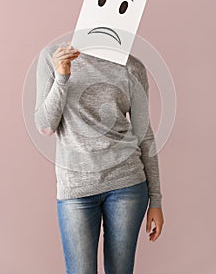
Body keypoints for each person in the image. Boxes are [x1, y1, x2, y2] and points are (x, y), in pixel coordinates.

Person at [34, 40, 164, 274]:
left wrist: (156, 200)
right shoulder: (53, 57)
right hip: (76, 189)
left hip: (128, 185)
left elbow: (145, 135)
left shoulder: (132, 66)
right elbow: (45, 126)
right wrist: (62, 75)